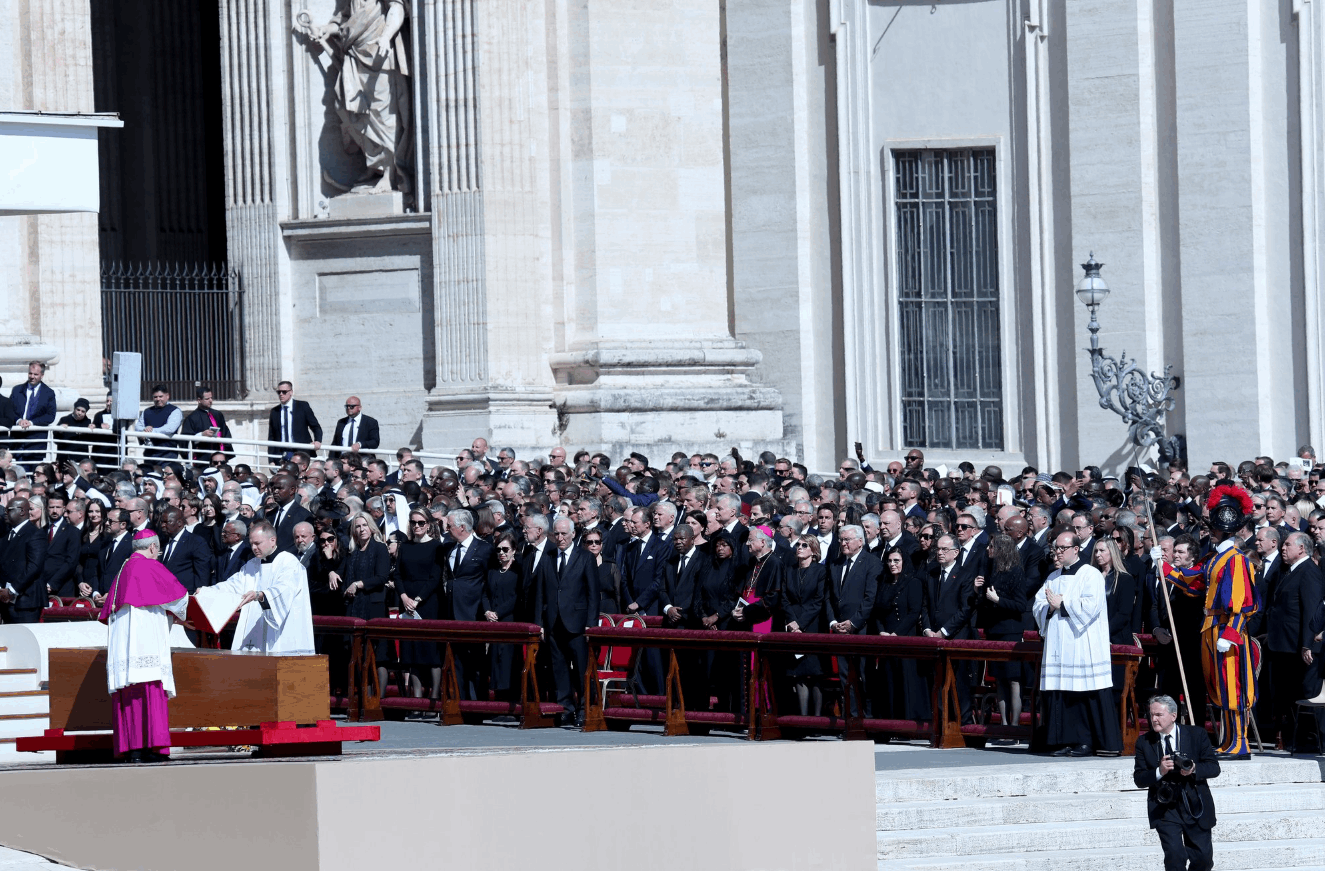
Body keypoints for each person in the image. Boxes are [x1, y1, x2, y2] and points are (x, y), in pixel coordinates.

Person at [1158, 485, 1261, 758]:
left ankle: (1240, 742)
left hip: (1227, 631)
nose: (1209, 531)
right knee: (1220, 688)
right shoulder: (1216, 558)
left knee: (1233, 687)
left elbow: (1242, 604)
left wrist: (1231, 634)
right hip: (1212, 629)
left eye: (1212, 527)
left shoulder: (1236, 560)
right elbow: (1193, 583)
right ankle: (1228, 741)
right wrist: (1165, 567)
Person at [99, 530, 189, 763]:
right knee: (149, 687)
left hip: (125, 638)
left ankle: (133, 750)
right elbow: (180, 599)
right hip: (146, 636)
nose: (157, 554)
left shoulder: (123, 570)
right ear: (152, 548)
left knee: (130, 690)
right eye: (157, 551)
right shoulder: (150, 566)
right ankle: (153, 748)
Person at [306, 0, 412, 194]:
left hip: (379, 54)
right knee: (343, 106)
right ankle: (375, 164)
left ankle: (390, 174)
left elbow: (396, 7)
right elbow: (345, 19)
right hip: (355, 54)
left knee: (382, 115)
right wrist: (326, 30)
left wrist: (386, 36)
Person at [1034, 531, 1120, 756]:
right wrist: (1049, 608)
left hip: (1081, 642)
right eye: (1056, 548)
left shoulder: (1090, 574)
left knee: (1080, 693)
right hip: (1057, 643)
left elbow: (1091, 606)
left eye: (1063, 548)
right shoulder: (1052, 576)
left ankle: (1085, 741)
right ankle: (1062, 741)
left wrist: (1062, 603)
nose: (1059, 552)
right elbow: (1038, 603)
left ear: (1076, 549)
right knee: (1059, 694)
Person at [1134, 694, 1219, 871]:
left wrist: (1193, 769)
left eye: (1158, 715)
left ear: (1173, 716)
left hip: (1195, 803)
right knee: (1175, 857)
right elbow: (1139, 778)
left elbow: (1213, 767)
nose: (1154, 719)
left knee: (1203, 859)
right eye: (1151, 715)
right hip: (1165, 806)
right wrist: (1159, 771)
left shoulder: (1197, 734)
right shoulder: (1144, 742)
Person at [204, 521, 315, 655]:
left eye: (257, 543)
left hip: (283, 633)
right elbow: (233, 585)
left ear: (272, 540)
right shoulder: (252, 565)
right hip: (254, 629)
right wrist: (207, 591)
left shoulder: (289, 562)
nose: (254, 548)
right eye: (251, 544)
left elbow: (285, 589)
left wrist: (261, 595)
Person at [537, 516, 598, 726]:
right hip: (553, 622)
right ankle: (565, 708)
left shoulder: (585, 557)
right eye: (557, 534)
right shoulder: (547, 557)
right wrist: (540, 624)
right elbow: (540, 593)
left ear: (573, 534)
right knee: (559, 668)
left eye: (564, 533)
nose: (560, 537)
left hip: (578, 623)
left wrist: (591, 623)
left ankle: (583, 707)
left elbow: (593, 593)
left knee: (581, 669)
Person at [973, 533, 1030, 735]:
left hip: (1010, 631)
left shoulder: (1015, 571)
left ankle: (1014, 727)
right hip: (994, 629)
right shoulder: (990, 570)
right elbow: (983, 604)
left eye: (992, 547)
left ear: (1001, 550)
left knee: (1013, 679)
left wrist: (998, 600)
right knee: (999, 679)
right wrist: (977, 591)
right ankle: (1003, 725)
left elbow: (1021, 605)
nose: (988, 550)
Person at [396, 509, 445, 711]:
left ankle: (433, 697)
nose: (417, 526)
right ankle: (416, 700)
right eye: (413, 522)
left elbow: (436, 576)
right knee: (411, 651)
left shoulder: (436, 546)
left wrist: (417, 599)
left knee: (430, 650)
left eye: (421, 522)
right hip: (407, 601)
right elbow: (398, 574)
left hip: (428, 602)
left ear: (428, 524)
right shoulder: (405, 546)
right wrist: (404, 597)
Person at [779, 534, 826, 717]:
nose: (799, 547)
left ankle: (817, 720)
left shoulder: (820, 571)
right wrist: (792, 622)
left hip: (812, 625)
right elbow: (784, 598)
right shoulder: (789, 570)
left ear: (813, 550)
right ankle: (802, 718)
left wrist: (801, 623)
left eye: (804, 545)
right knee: (797, 673)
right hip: (792, 625)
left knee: (814, 674)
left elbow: (818, 600)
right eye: (797, 544)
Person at [482, 530, 523, 703]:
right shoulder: (493, 570)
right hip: (493, 621)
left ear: (514, 549)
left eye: (505, 549)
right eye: (498, 550)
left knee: (508, 659)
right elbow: (485, 592)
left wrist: (499, 613)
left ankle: (511, 701)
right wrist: (487, 610)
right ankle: (498, 697)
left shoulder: (518, 570)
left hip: (509, 619)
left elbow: (517, 596)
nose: (502, 553)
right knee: (494, 659)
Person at [0, 498, 48, 623]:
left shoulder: (35, 534)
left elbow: (34, 566)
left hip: (27, 601)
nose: (5, 513)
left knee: (24, 641)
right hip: (6, 601)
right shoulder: (6, 536)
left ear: (21, 511)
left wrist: (12, 590)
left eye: (9, 510)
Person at [9, 361, 56, 464]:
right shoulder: (17, 390)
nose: (32, 376)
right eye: (30, 373)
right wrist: (18, 421)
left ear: (42, 375)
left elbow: (50, 416)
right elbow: (9, 410)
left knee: (35, 476)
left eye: (36, 374)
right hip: (18, 442)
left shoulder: (49, 393)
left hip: (36, 442)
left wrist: (31, 422)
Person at [267, 382, 322, 462]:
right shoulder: (275, 411)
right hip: (281, 453)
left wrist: (318, 440)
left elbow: (315, 426)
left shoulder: (303, 406)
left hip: (301, 452)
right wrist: (271, 460)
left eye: (284, 392)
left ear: (291, 392)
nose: (281, 394)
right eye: (279, 392)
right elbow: (271, 437)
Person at [180, 387, 233, 464]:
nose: (210, 401)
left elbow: (226, 433)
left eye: (211, 398)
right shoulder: (191, 418)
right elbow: (185, 441)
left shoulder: (218, 414)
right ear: (199, 400)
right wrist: (202, 435)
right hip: (201, 458)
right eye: (207, 399)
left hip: (219, 457)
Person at [134, 385, 183, 460]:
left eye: (161, 396)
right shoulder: (147, 411)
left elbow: (170, 428)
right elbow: (138, 427)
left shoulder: (175, 411)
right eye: (155, 397)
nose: (158, 399)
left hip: (167, 454)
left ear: (167, 396)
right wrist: (145, 429)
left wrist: (151, 431)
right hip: (149, 454)